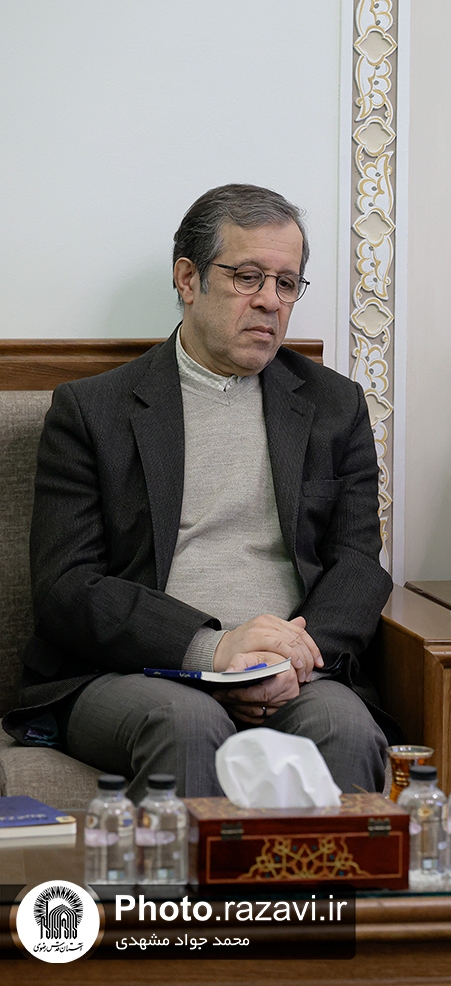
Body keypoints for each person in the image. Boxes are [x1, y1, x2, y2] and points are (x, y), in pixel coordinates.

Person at [3, 184, 394, 801]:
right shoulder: (93, 411)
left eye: (286, 283)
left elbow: (358, 565)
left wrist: (295, 659)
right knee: (189, 722)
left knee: (345, 728)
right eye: (248, 277)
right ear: (188, 279)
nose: (270, 301)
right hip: (136, 673)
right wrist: (210, 650)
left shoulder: (333, 405)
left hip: (295, 672)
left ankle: (316, 876)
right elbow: (66, 587)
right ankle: (179, 875)